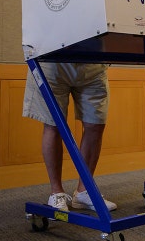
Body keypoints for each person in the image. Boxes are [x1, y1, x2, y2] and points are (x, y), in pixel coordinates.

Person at [23, 62, 116, 212]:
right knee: (53, 125)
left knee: (95, 125)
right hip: (52, 63)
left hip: (93, 64)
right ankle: (56, 193)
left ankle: (84, 192)